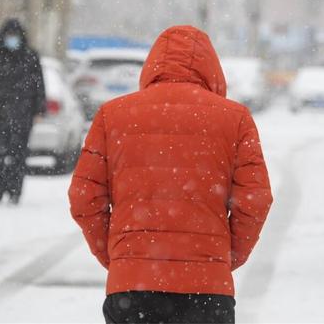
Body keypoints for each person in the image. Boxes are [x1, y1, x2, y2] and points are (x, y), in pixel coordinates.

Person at [69, 25, 273, 323]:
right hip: (207, 291)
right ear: (212, 69)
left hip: (132, 289)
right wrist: (224, 258)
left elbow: (84, 196)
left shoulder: (112, 116)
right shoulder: (236, 119)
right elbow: (255, 199)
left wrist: (119, 258)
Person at [0, 19, 46, 205]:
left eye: (15, 36)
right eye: (9, 36)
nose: (12, 39)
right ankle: (0, 186)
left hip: (23, 114)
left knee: (19, 154)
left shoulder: (31, 57)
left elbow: (39, 84)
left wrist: (39, 109)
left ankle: (15, 190)